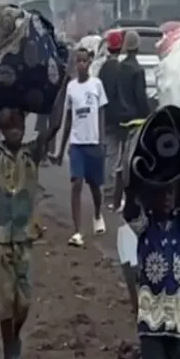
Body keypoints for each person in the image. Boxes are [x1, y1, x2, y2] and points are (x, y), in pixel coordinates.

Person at [0, 102, 64, 359]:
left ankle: (14, 339)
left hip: (25, 236)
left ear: (24, 129)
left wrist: (61, 86)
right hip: (1, 237)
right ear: (2, 129)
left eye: (19, 127)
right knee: (5, 301)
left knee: (23, 302)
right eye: (10, 127)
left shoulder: (32, 153)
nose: (14, 132)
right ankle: (6, 357)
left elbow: (55, 125)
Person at [124, 172, 180, 359]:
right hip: (151, 320)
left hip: (175, 317)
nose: (167, 197)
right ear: (150, 197)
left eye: (171, 192)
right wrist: (131, 181)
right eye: (162, 193)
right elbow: (130, 209)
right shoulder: (144, 225)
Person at [52, 47, 109, 247]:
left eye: (84, 61)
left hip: (93, 143)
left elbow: (101, 113)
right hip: (77, 144)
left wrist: (102, 140)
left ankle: (97, 213)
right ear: (75, 64)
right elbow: (68, 118)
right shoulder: (71, 88)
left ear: (89, 62)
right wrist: (61, 149)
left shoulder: (97, 85)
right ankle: (77, 231)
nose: (81, 65)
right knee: (76, 183)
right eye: (78, 61)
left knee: (95, 186)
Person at [115, 30, 152, 200]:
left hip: (120, 118)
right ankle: (129, 194)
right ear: (137, 48)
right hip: (136, 120)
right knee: (130, 159)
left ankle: (116, 196)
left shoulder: (120, 68)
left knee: (120, 156)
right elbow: (140, 97)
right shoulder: (138, 70)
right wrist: (149, 114)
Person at [97, 29, 127, 212]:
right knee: (118, 157)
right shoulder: (119, 69)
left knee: (110, 155)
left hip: (105, 116)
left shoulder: (103, 68)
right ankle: (111, 195)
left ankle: (108, 193)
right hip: (118, 118)